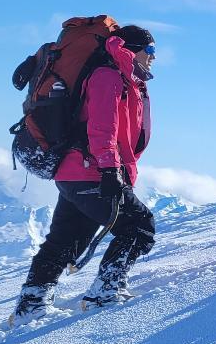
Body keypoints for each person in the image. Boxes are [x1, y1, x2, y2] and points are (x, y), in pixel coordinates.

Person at [10, 25, 157, 322]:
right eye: (150, 50)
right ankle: (105, 292)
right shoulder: (109, 76)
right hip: (92, 170)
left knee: (65, 240)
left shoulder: (125, 77)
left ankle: (31, 304)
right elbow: (102, 129)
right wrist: (110, 170)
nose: (154, 57)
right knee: (139, 227)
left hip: (76, 172)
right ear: (131, 49)